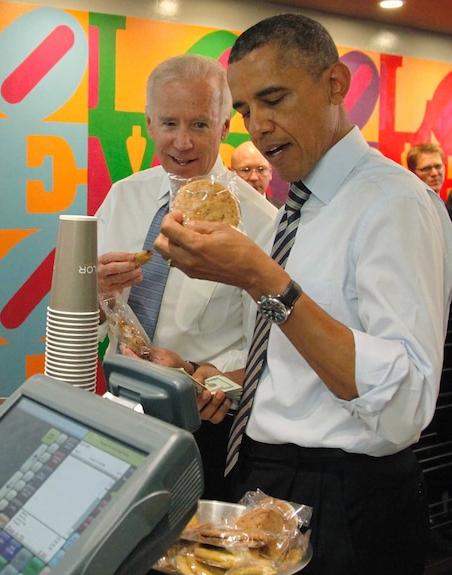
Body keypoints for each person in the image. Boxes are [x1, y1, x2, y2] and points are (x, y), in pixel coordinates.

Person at [155, 15, 452, 574]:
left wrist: (264, 280)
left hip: (346, 497)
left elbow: (405, 402)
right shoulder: (294, 211)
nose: (259, 126)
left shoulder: (395, 204)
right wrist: (210, 378)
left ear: (335, 85)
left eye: (274, 99)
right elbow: (289, 369)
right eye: (244, 110)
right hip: (266, 480)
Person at [95, 54, 278, 500]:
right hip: (118, 410)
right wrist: (93, 289)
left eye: (199, 124)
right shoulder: (123, 197)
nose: (182, 142)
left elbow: (266, 351)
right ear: (149, 123)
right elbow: (79, 314)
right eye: (169, 123)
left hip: (204, 430)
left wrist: (202, 378)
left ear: (223, 127)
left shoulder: (259, 222)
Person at [230, 140, 283, 207]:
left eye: (261, 169)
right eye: (246, 170)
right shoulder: (218, 212)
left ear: (270, 172)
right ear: (231, 174)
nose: (254, 177)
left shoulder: (282, 213)